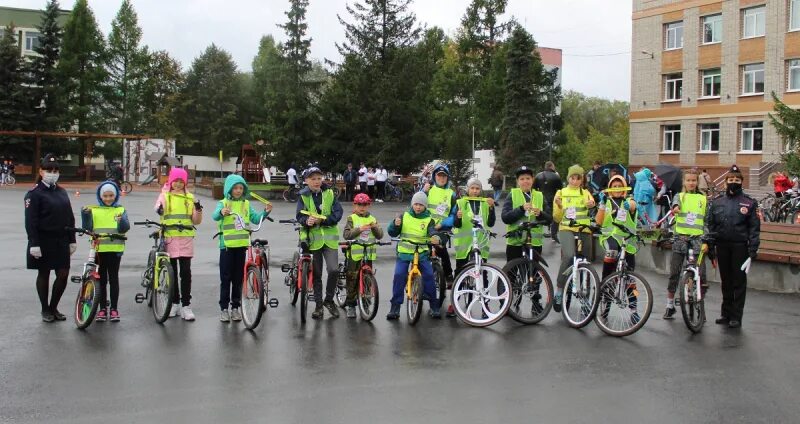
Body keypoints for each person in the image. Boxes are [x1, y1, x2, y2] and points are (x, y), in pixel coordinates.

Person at [213, 174, 271, 323]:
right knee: (226, 278)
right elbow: (215, 216)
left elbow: (256, 218)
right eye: (235, 188)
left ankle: (235, 307)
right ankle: (224, 309)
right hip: (226, 246)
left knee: (238, 279)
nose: (238, 191)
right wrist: (221, 212)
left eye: (241, 188)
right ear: (229, 189)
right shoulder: (224, 203)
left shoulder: (246, 204)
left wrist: (265, 212)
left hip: (241, 245)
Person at [707, 165, 760, 329]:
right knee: (726, 282)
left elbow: (754, 228)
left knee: (738, 282)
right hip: (722, 246)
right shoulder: (717, 203)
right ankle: (726, 313)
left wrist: (753, 249)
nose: (733, 182)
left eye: (737, 180)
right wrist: (710, 246)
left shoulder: (749, 203)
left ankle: (736, 316)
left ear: (741, 182)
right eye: (730, 180)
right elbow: (711, 225)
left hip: (740, 247)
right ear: (725, 182)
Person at [25, 154, 76, 322]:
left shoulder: (61, 191)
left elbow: (69, 216)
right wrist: (34, 243)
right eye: (49, 170)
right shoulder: (34, 193)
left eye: (55, 170)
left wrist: (72, 239)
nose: (52, 173)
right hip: (43, 239)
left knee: (63, 273)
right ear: (41, 171)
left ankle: (54, 307)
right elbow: (31, 221)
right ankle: (45, 309)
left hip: (61, 239)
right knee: (44, 273)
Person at [154, 167, 203, 321]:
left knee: (186, 273)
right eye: (176, 181)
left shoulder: (190, 197)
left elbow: (196, 221)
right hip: (170, 238)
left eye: (181, 181)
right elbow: (157, 207)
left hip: (186, 238)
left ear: (185, 182)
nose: (178, 184)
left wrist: (198, 210)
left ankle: (186, 305)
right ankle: (174, 303)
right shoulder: (165, 195)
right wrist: (160, 210)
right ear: (171, 181)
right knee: (172, 273)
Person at [296, 166, 344, 319]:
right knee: (316, 274)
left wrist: (323, 221)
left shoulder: (330, 193)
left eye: (319, 178)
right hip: (314, 240)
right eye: (313, 179)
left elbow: (338, 213)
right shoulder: (303, 197)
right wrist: (307, 221)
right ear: (306, 181)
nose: (317, 181)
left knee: (334, 270)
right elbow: (299, 216)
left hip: (330, 240)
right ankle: (318, 306)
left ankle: (328, 300)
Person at [386, 192, 442, 319]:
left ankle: (434, 305)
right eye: (416, 204)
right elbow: (392, 232)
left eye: (421, 205)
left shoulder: (429, 219)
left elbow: (432, 231)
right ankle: (395, 307)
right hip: (405, 253)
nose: (418, 207)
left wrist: (435, 237)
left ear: (425, 207)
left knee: (428, 275)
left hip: (421, 252)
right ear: (412, 204)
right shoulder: (404, 216)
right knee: (399, 275)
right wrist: (395, 225)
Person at [80, 181, 130, 322]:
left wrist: (122, 222)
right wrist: (85, 215)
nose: (108, 199)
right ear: (100, 196)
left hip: (115, 250)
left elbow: (125, 228)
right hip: (99, 250)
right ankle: (102, 308)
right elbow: (87, 228)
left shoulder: (120, 210)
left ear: (116, 196)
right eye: (105, 196)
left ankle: (114, 308)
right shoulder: (94, 210)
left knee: (113, 279)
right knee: (100, 280)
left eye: (111, 195)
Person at [662, 169, 708, 320]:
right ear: (684, 182)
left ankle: (699, 303)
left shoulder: (703, 198)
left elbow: (706, 219)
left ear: (697, 181)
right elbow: (674, 206)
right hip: (681, 239)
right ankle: (670, 305)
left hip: (697, 239)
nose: (691, 183)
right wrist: (675, 209)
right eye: (688, 180)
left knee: (700, 274)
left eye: (694, 180)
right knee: (674, 272)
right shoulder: (679, 196)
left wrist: (707, 239)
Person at [552, 165, 596, 312]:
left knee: (586, 261)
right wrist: (559, 206)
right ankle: (559, 290)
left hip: (584, 228)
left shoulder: (586, 193)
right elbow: (557, 218)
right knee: (569, 256)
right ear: (568, 178)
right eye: (572, 177)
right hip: (566, 228)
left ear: (582, 179)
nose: (575, 181)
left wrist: (591, 205)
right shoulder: (561, 192)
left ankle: (585, 295)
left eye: (578, 178)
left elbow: (592, 207)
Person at [452, 177, 497, 317]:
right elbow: (456, 224)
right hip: (465, 243)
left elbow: (491, 222)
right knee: (460, 273)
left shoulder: (485, 203)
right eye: (472, 188)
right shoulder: (460, 202)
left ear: (480, 190)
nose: (475, 191)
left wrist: (491, 208)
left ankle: (485, 306)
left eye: (477, 188)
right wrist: (458, 217)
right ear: (468, 189)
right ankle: (454, 303)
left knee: (483, 274)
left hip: (481, 243)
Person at [341, 193, 384, 318]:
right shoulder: (351, 218)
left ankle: (366, 301)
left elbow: (380, 235)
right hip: (355, 253)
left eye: (364, 205)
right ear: (355, 205)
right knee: (352, 279)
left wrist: (375, 228)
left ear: (368, 205)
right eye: (359, 205)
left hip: (368, 253)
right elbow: (346, 235)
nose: (362, 207)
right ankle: (351, 305)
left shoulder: (373, 218)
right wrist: (359, 230)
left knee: (367, 278)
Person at [503, 166, 551, 260]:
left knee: (533, 273)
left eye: (528, 178)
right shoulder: (512, 194)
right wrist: (521, 209)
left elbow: (549, 219)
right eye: (522, 179)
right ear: (517, 181)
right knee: (511, 272)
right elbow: (505, 218)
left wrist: (540, 214)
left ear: (532, 180)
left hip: (535, 243)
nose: (525, 181)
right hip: (515, 242)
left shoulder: (539, 195)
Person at [595, 175, 637, 280]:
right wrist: (602, 205)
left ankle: (632, 296)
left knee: (629, 272)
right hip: (609, 236)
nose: (617, 188)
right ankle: (605, 282)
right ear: (610, 188)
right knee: (612, 251)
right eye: (614, 186)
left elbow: (633, 205)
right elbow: (598, 222)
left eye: (620, 186)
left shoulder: (628, 200)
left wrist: (630, 205)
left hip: (627, 239)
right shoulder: (607, 201)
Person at [422, 164, 457, 285]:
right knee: (423, 252)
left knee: (441, 250)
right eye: (439, 176)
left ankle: (448, 275)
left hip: (443, 229)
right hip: (427, 227)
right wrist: (423, 192)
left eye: (444, 176)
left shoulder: (451, 194)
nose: (441, 178)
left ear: (447, 178)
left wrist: (442, 224)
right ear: (434, 176)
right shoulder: (429, 190)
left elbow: (454, 214)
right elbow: (417, 205)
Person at [534, 161, 563, 242]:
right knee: (554, 216)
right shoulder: (556, 176)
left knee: (540, 214)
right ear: (551, 166)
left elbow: (534, 188)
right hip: (552, 199)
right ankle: (553, 233)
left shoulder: (538, 176)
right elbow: (561, 189)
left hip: (541, 198)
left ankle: (537, 234)